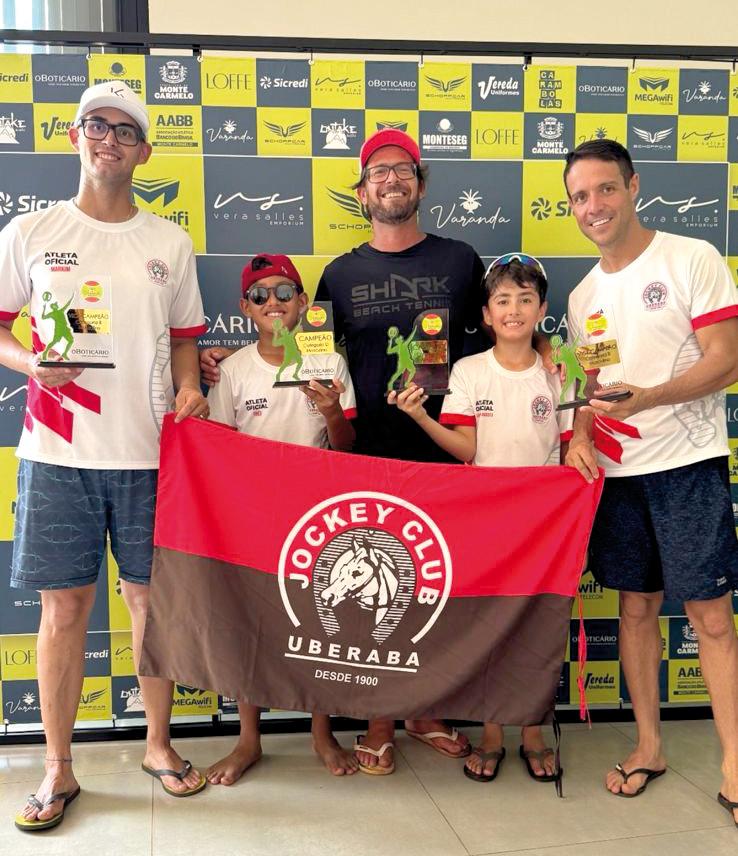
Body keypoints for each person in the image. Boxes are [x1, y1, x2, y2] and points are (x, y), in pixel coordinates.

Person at [202, 129, 493, 773]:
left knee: (435, 587)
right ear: (362, 193)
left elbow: (503, 334)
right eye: (377, 173)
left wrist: (552, 362)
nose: (390, 181)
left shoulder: (461, 260)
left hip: (446, 447)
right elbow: (296, 353)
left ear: (420, 183)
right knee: (378, 592)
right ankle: (380, 720)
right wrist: (223, 357)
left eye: (402, 171)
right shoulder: (340, 273)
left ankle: (425, 710)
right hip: (360, 452)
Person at [0, 81, 209, 832]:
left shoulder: (169, 242)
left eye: (126, 130)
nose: (109, 139)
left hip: (154, 457)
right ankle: (58, 767)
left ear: (144, 150)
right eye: (97, 125)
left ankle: (159, 744)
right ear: (74, 134)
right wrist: (29, 365)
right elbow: (0, 329)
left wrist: (189, 389)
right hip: (58, 453)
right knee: (63, 611)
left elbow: (186, 339)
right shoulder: (30, 231)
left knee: (153, 607)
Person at [562, 139, 738, 819]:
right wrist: (580, 435)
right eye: (580, 196)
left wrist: (652, 398)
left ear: (633, 187)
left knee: (710, 619)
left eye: (605, 190)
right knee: (635, 610)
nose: (593, 207)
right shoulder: (582, 296)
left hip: (687, 466)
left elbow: (726, 360)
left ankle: (732, 758)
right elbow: (592, 384)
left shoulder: (691, 257)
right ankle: (648, 746)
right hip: (618, 473)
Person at [389, 253, 572, 785]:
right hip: (488, 525)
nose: (514, 309)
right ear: (488, 315)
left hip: (545, 526)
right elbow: (465, 447)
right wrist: (420, 415)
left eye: (525, 299)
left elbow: (568, 446)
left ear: (541, 309)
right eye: (502, 301)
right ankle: (493, 734)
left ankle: (532, 732)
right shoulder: (468, 371)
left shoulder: (559, 371)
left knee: (538, 629)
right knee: (493, 629)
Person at [206, 252, 359, 782]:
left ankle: (321, 732)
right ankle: (249, 740)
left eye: (284, 292)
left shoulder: (330, 365)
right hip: (250, 517)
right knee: (251, 624)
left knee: (318, 621)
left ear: (304, 304)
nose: (273, 302)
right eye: (260, 295)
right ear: (244, 308)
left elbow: (346, 446)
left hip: (316, 513)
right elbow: (219, 447)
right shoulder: (232, 370)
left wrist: (332, 411)